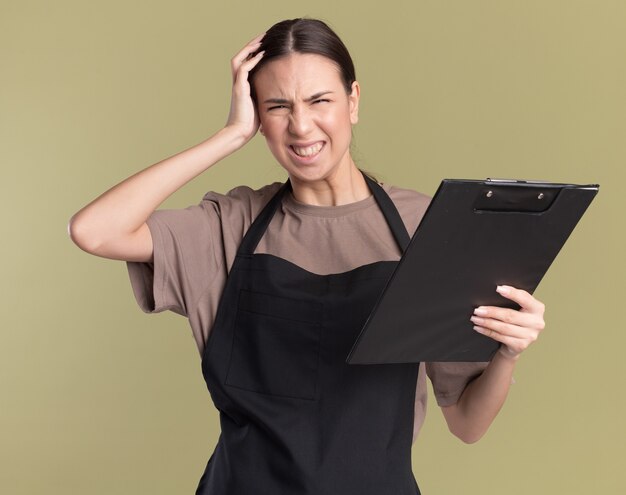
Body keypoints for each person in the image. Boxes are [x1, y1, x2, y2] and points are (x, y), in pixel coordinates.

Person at [68, 17, 546, 495]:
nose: (300, 126)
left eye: (320, 101)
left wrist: (506, 354)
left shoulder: (425, 228)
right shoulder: (229, 226)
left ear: (353, 101)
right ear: (257, 116)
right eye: (277, 106)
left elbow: (466, 422)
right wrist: (229, 136)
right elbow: (94, 231)